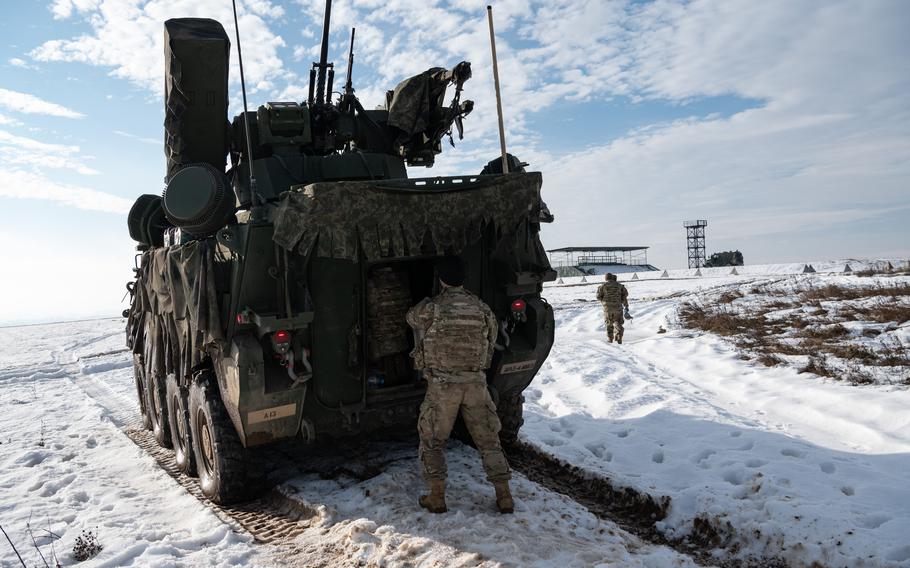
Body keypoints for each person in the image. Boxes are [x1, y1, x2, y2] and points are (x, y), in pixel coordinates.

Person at [406, 256, 514, 514]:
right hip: (476, 383)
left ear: (441, 280)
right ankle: (505, 496)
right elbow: (492, 336)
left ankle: (436, 496)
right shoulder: (481, 307)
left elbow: (411, 319)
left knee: (432, 440)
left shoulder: (432, 308)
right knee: (489, 441)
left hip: (444, 385)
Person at [596, 273, 629, 344]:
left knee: (609, 323)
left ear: (606, 278)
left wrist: (603, 301)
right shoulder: (620, 286)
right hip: (618, 307)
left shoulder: (603, 286)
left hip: (607, 308)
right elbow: (625, 294)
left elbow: (598, 296)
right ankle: (619, 333)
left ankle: (610, 339)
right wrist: (621, 300)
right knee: (617, 322)